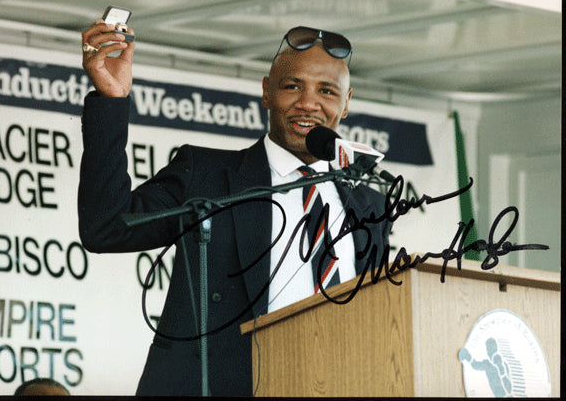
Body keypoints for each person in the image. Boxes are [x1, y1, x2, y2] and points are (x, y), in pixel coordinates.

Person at [78, 22, 391, 396]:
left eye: (326, 91)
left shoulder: (370, 205)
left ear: (346, 102)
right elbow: (106, 227)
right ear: (266, 92)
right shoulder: (207, 176)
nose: (308, 103)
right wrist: (111, 101)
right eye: (292, 86)